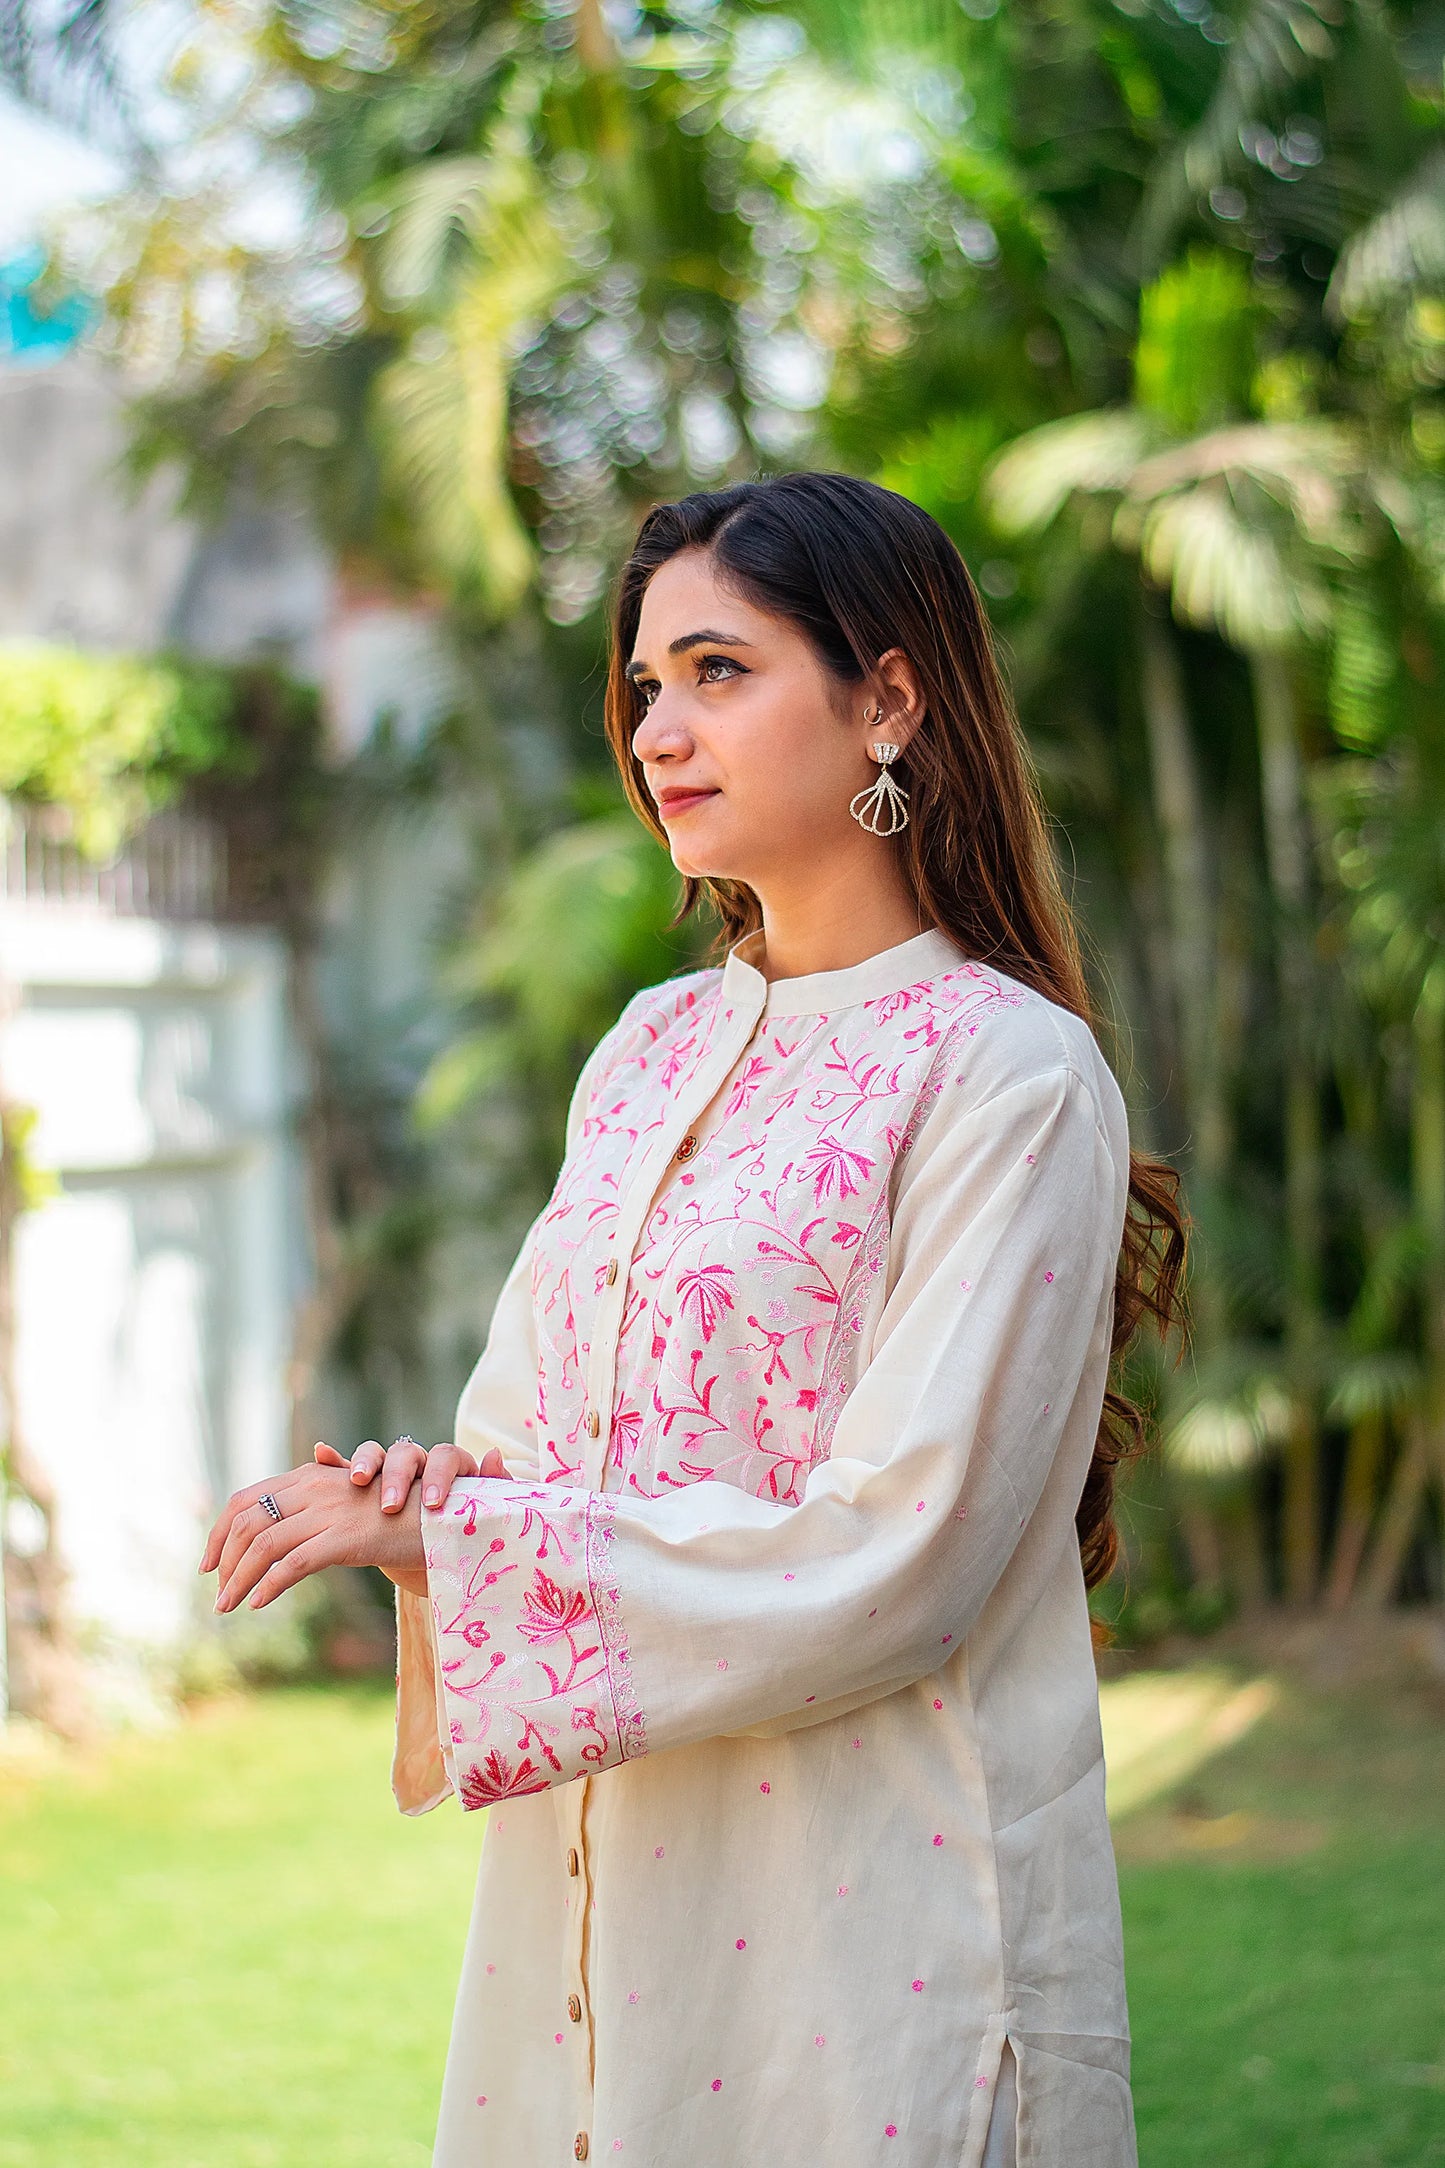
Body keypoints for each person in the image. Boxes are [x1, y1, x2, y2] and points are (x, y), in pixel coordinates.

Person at [203, 471, 1187, 2167]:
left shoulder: (1006, 1074)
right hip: (596, 1896)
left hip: (873, 1917)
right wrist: (419, 1507)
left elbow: (905, 1544)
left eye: (720, 671)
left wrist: (486, 1553)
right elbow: (537, 1447)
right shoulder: (648, 1048)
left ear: (889, 698)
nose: (660, 727)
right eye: (645, 686)